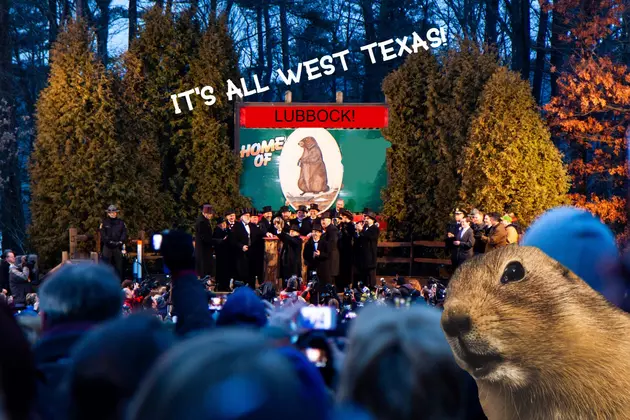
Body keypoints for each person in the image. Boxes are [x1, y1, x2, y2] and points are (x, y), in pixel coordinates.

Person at [100, 205, 128, 280]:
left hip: (118, 246)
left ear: (116, 213)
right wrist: (109, 242)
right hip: (107, 246)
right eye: (111, 212)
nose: (112, 214)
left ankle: (120, 283)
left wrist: (120, 242)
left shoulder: (121, 223)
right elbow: (103, 234)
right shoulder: (104, 222)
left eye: (114, 212)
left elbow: (124, 233)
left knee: (119, 266)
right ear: (108, 213)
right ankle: (105, 283)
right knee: (106, 266)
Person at [354, 211, 379, 288]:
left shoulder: (375, 228)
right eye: (365, 218)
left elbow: (370, 237)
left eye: (368, 218)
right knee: (364, 276)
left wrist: (362, 230)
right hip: (363, 256)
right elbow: (361, 238)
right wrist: (358, 232)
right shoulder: (365, 228)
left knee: (371, 275)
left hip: (371, 256)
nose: (366, 220)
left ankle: (372, 292)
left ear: (373, 220)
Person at [230, 208, 254, 289]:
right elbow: (233, 240)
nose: (248, 217)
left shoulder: (252, 225)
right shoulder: (236, 226)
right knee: (240, 271)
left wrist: (267, 233)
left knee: (249, 271)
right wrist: (241, 246)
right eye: (246, 215)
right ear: (241, 217)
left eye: (249, 216)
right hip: (240, 253)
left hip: (250, 253)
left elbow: (259, 233)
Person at [194, 204, 215, 279]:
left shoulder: (204, 221)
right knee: (203, 270)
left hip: (204, 250)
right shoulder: (202, 222)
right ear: (205, 213)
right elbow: (205, 238)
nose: (211, 215)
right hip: (203, 251)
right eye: (210, 214)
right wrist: (216, 241)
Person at [337, 210, 355, 289]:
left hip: (347, 249)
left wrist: (343, 229)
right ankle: (340, 284)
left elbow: (349, 236)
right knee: (341, 267)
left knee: (347, 267)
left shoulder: (351, 225)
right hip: (341, 248)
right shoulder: (342, 224)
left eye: (341, 217)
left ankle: (347, 284)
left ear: (345, 217)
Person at [321, 211, 340, 286]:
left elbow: (332, 243)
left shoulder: (332, 229)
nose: (322, 221)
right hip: (327, 257)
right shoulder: (327, 230)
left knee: (330, 279)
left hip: (331, 257)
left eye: (324, 220)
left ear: (329, 220)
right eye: (321, 220)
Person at [212, 217, 231, 292]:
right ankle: (219, 285)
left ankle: (226, 285)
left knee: (226, 271)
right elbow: (215, 241)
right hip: (220, 254)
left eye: (225, 223)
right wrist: (223, 240)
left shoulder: (227, 231)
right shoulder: (217, 231)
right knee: (220, 270)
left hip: (227, 254)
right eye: (222, 223)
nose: (224, 225)